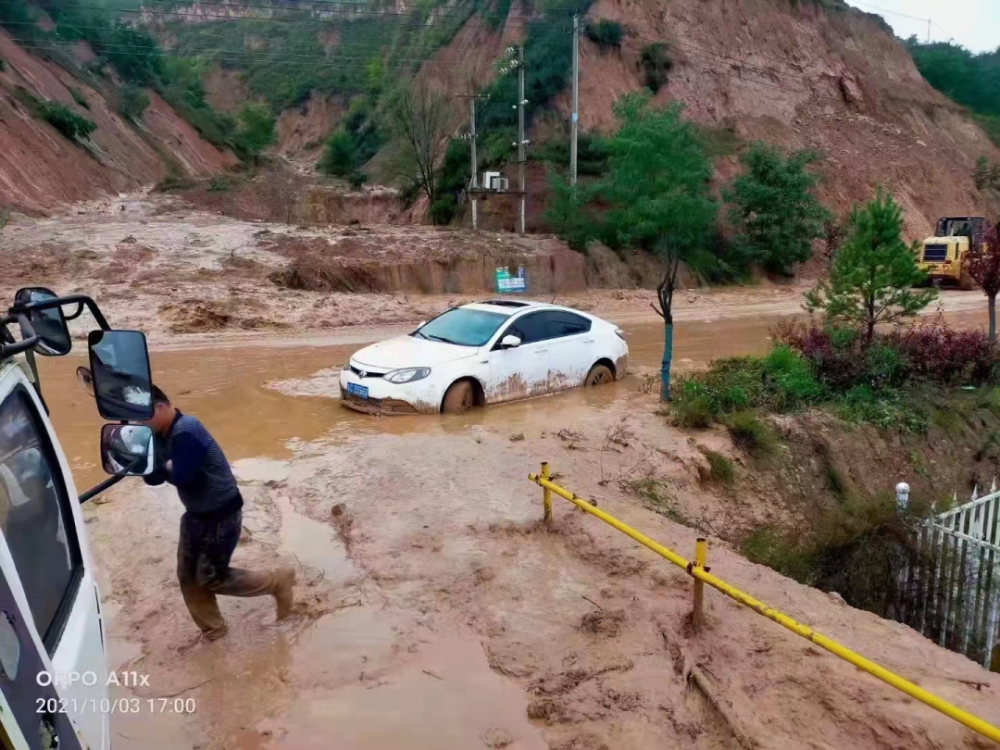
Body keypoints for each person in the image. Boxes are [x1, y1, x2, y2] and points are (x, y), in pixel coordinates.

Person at [144, 385, 295, 641]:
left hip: (221, 515)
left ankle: (277, 581)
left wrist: (165, 467)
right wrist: (166, 465)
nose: (136, 423)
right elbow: (153, 477)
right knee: (188, 577)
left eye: (139, 415)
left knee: (211, 577)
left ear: (159, 408)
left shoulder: (186, 430)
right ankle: (214, 631)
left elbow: (184, 478)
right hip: (195, 514)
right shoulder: (159, 435)